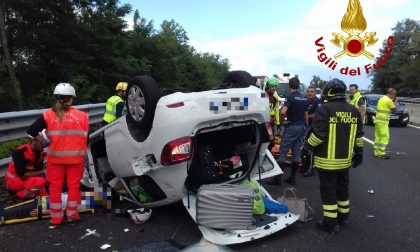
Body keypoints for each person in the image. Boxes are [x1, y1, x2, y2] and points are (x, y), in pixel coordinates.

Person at [304, 78, 363, 234]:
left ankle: (330, 223)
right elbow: (359, 136)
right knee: (343, 189)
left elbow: (318, 135)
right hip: (345, 161)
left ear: (329, 92)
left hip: (327, 161)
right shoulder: (354, 110)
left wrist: (307, 146)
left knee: (329, 191)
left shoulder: (325, 109)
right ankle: (343, 217)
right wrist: (359, 153)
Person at [27, 83, 89, 226]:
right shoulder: (83, 116)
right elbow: (86, 139)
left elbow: (31, 131)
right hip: (76, 158)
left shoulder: (47, 115)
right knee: (74, 186)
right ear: (72, 98)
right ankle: (72, 214)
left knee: (55, 187)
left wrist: (41, 139)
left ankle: (56, 218)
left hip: (55, 159)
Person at [268, 77, 308, 186]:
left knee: (283, 151)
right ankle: (292, 178)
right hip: (302, 127)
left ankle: (277, 179)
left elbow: (283, 112)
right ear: (298, 85)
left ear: (290, 85)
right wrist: (305, 125)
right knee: (296, 152)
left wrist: (283, 122)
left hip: (292, 126)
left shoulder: (290, 97)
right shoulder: (304, 98)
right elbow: (306, 114)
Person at [302, 85, 321, 177]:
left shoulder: (318, 102)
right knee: (303, 148)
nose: (310, 93)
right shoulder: (303, 100)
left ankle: (310, 169)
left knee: (309, 148)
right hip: (304, 126)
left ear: (315, 93)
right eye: (308, 91)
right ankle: (305, 166)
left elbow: (317, 114)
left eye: (312, 92)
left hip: (314, 127)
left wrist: (305, 116)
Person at [374, 88, 397, 159]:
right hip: (383, 122)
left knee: (378, 137)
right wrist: (394, 101)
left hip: (378, 121)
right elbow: (394, 109)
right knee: (384, 137)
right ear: (391, 93)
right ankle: (381, 153)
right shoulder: (389, 101)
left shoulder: (382, 98)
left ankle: (377, 152)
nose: (394, 96)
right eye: (394, 94)